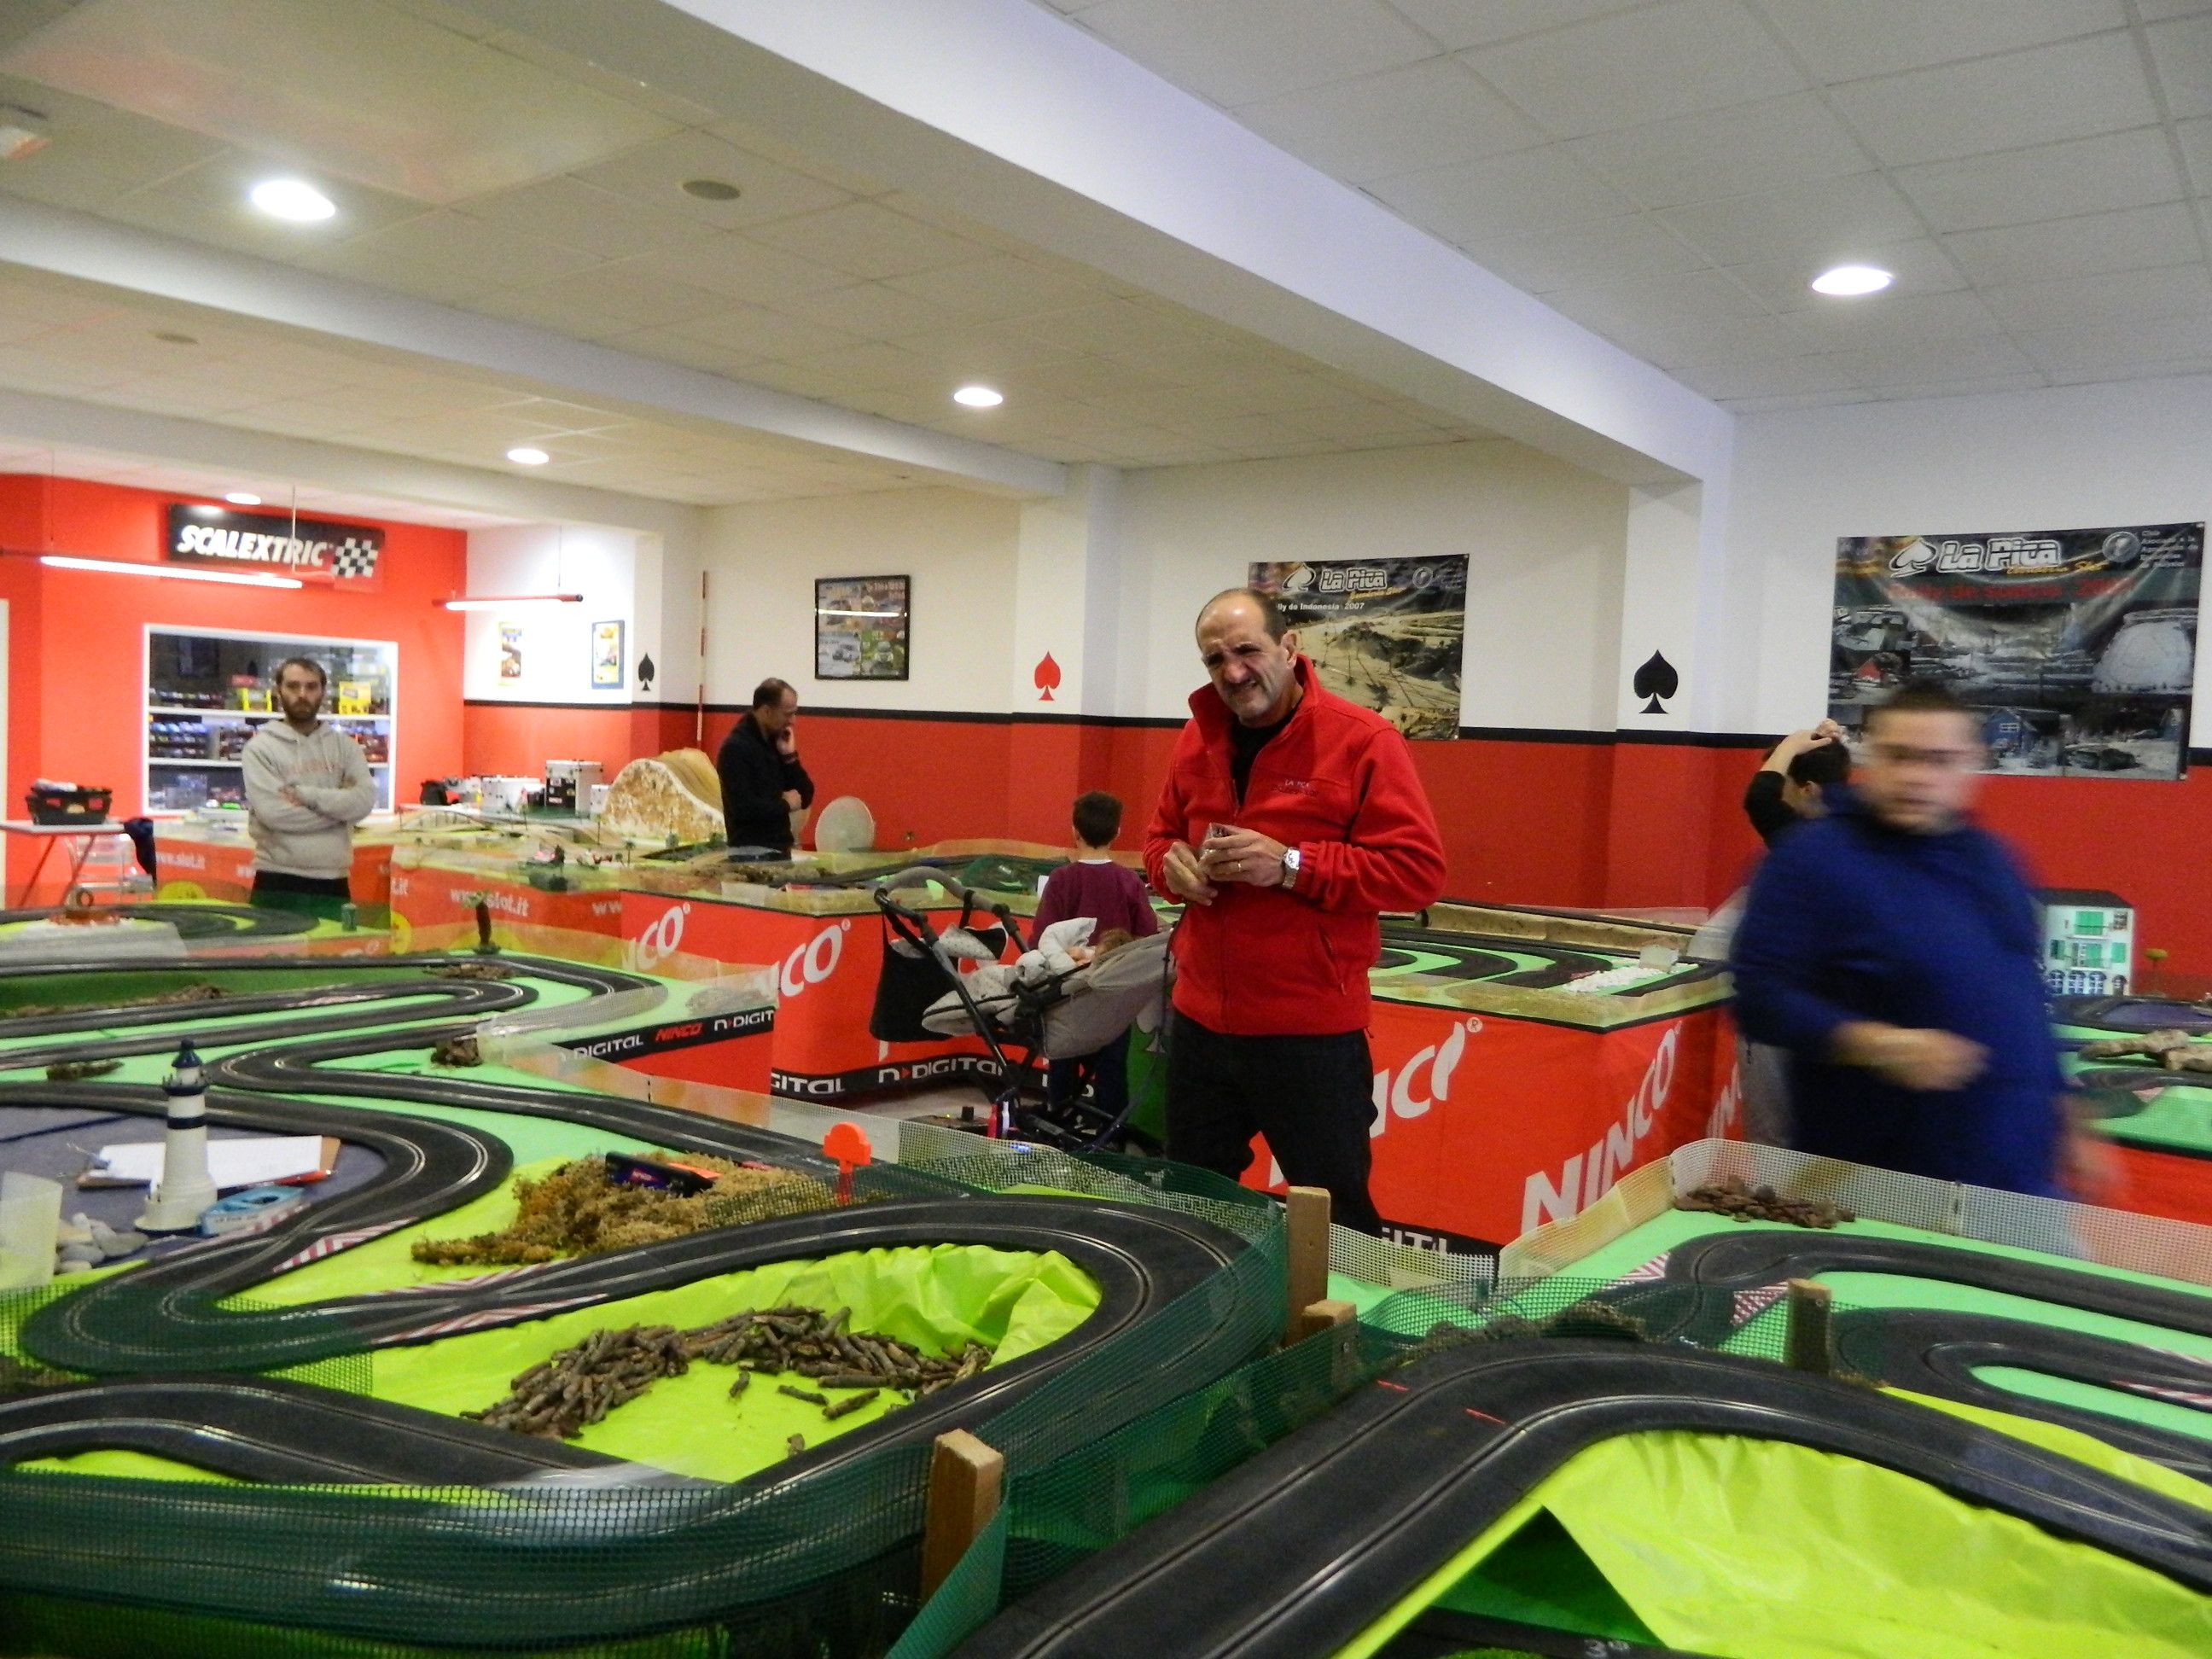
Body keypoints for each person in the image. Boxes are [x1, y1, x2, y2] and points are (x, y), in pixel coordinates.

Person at [1144, 589, 1447, 1234]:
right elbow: (1159, 836)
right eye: (1215, 659)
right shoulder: (1196, 738)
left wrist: (1291, 865)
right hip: (1200, 1024)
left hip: (1309, 1035)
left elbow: (1417, 873)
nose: (1233, 672)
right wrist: (1169, 866)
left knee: (1335, 1221)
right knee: (1191, 1205)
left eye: (1247, 650)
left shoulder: (1363, 741)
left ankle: (1336, 1304)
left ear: (1289, 647)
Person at [1732, 682, 2104, 1199]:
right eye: (1899, 756)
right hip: (1879, 1184)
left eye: (1938, 760)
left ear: (1971, 764)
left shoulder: (1994, 860)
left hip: (2018, 1175)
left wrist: (2067, 1112)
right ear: (1871, 756)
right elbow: (1760, 997)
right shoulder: (1810, 859)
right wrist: (1877, 1044)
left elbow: (2025, 992)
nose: (1916, 776)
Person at [1035, 791, 1160, 1126]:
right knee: (1112, 1070)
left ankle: (1058, 1128)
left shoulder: (1061, 880)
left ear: (1074, 831)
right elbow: (1147, 938)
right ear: (1117, 831)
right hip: (1112, 998)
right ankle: (1111, 1138)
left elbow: (1041, 940)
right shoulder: (1129, 881)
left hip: (1067, 998)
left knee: (1062, 1065)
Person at [241, 656, 376, 914]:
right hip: (276, 881)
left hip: (334, 881)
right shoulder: (260, 749)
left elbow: (364, 802)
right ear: (279, 691)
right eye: (293, 686)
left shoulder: (345, 747)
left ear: (323, 692)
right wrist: (340, 812)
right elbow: (274, 814)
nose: (302, 694)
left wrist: (305, 796)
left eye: (311, 686)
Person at [716, 678, 813, 858]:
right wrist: (785, 804)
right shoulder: (735, 748)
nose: (793, 721)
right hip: (749, 853)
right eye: (787, 714)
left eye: (795, 713)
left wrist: (790, 758)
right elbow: (743, 809)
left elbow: (806, 794)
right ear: (767, 711)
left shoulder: (776, 743)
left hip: (780, 848)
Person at [1743, 719, 1851, 845]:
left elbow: (1759, 799)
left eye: (1782, 781)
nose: (1778, 790)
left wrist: (1789, 746)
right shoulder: (1855, 828)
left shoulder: (1802, 838)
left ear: (1808, 790)